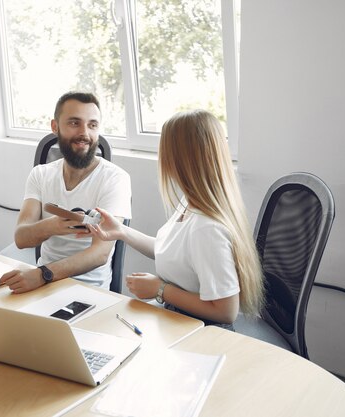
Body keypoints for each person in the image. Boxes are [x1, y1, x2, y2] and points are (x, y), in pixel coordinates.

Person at [87, 110, 264, 329]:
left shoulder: (207, 228)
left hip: (200, 332)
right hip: (177, 319)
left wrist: (160, 290)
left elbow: (226, 311)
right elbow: (173, 252)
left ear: (179, 158)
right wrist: (121, 231)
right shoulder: (190, 203)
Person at [1, 92, 131, 293]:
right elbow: (21, 237)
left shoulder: (115, 179)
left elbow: (100, 254)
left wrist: (43, 274)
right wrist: (52, 226)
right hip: (42, 283)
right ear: (55, 127)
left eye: (92, 125)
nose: (84, 133)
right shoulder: (40, 174)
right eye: (74, 123)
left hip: (88, 291)